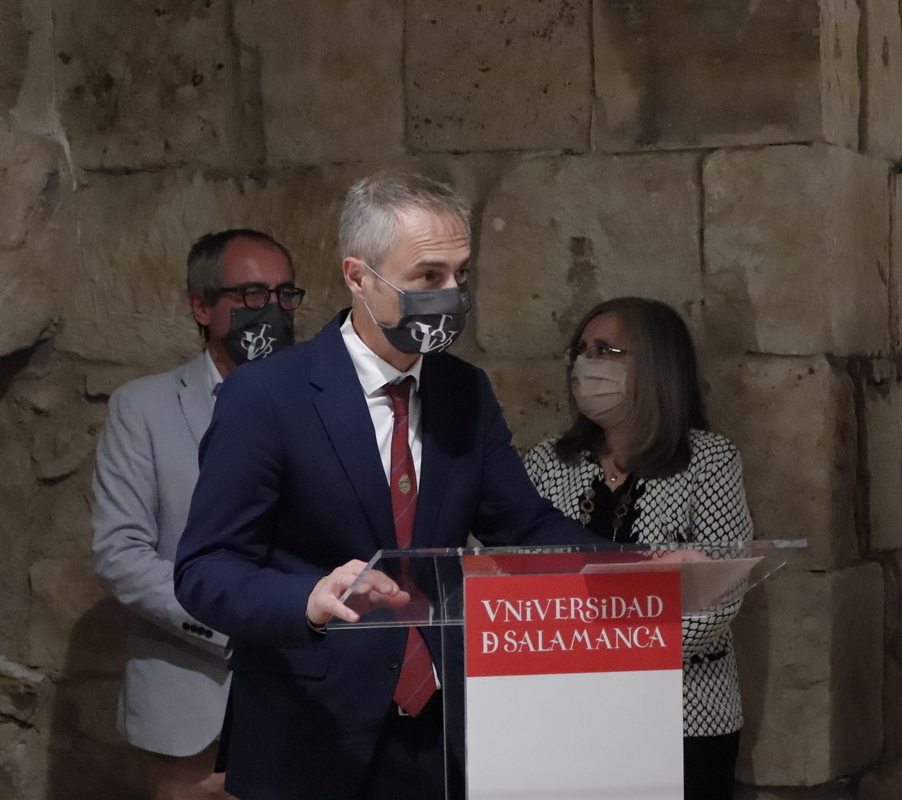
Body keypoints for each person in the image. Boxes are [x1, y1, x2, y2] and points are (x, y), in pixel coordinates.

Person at [173, 172, 602, 800]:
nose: (451, 294)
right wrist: (309, 598)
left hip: (443, 729)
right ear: (358, 277)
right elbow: (206, 568)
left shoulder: (464, 390)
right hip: (311, 731)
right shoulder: (267, 395)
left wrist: (642, 570)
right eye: (428, 276)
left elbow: (523, 525)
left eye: (460, 274)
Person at [92, 229, 304, 800]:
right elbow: (121, 554)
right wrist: (239, 620)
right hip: (192, 700)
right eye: (251, 295)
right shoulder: (143, 408)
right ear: (201, 307)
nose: (272, 309)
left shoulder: (326, 404)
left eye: (284, 294)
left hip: (310, 695)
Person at [523, 297, 753, 800]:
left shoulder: (709, 460)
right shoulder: (547, 461)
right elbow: (521, 580)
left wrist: (617, 649)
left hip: (685, 715)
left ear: (656, 365)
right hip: (568, 713)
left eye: (606, 351)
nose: (586, 363)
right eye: (581, 350)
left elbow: (718, 591)